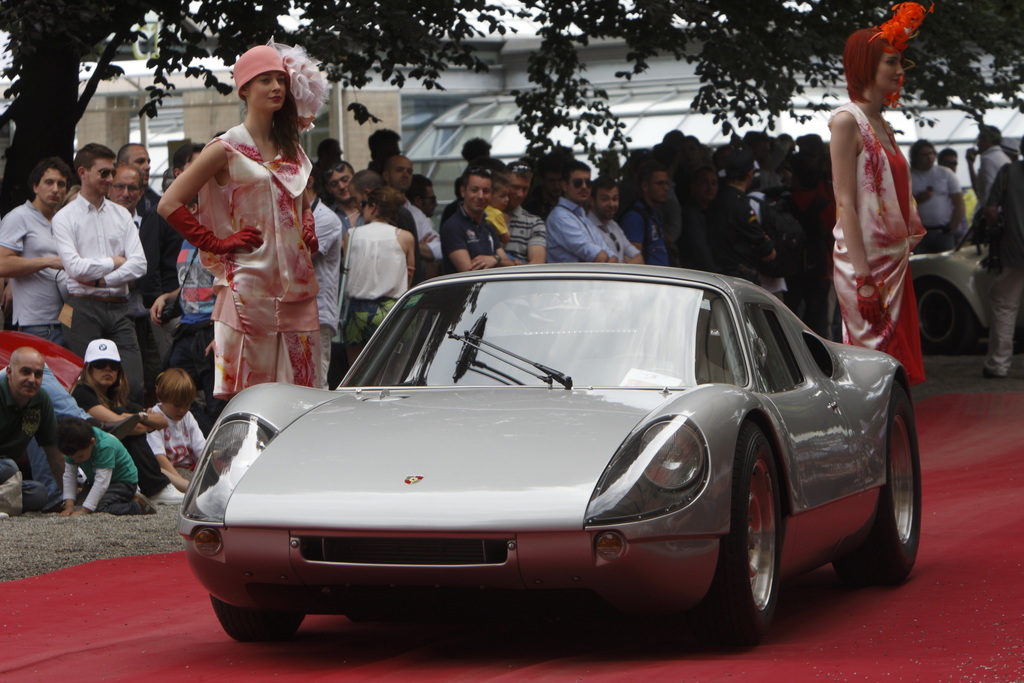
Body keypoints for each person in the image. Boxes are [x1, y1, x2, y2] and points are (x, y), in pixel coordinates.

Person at [157, 43, 328, 398]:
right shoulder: (225, 148)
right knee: (253, 395)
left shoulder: (291, 147)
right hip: (248, 288)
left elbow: (301, 201)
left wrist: (307, 225)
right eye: (264, 80)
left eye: (280, 79)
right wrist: (217, 244)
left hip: (297, 287)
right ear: (244, 89)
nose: (276, 87)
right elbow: (169, 203)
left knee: (304, 391)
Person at [829, 3, 931, 386]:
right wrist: (864, 278)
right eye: (892, 61)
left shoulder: (882, 124)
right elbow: (845, 204)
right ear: (866, 64)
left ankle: (889, 443)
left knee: (895, 370)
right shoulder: (845, 121)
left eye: (900, 62)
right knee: (874, 371)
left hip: (894, 259)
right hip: (866, 264)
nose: (900, 71)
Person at [52, 143, 148, 402]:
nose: (110, 179)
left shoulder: (121, 215)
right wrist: (115, 261)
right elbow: (74, 268)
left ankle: (128, 436)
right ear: (82, 172)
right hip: (81, 307)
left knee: (134, 385)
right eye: (104, 173)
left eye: (111, 172)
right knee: (88, 387)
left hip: (119, 307)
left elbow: (140, 264)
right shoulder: (64, 218)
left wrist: (102, 278)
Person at [71, 338, 184, 503]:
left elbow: (162, 421)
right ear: (89, 368)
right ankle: (157, 489)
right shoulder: (82, 392)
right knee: (126, 424)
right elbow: (119, 425)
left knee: (126, 417)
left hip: (106, 458)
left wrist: (139, 417)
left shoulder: (116, 398)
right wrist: (142, 421)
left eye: (113, 365)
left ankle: (177, 488)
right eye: (100, 364)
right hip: (85, 461)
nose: (108, 369)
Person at [0, 157, 72, 345]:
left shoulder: (62, 220)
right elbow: (2, 264)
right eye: (49, 182)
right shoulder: (18, 217)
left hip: (67, 321)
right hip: (36, 324)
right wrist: (47, 262)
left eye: (61, 184)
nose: (55, 189)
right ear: (35, 187)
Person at [342, 186, 415, 363]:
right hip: (393, 311)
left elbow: (346, 269)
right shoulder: (404, 237)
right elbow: (410, 276)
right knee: (395, 371)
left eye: (364, 204)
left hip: (357, 312)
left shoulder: (350, 235)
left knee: (357, 374)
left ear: (373, 207)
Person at [0, 347, 63, 513]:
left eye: (38, 374)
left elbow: (54, 452)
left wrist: (68, 497)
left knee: (39, 494)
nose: (32, 379)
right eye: (25, 372)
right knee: (9, 467)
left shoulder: (41, 400)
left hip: (6, 478)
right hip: (6, 469)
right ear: (9, 372)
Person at [982, 138, 1024, 379]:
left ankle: (998, 364)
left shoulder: (1008, 172)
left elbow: (990, 211)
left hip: (1015, 250)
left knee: (1005, 307)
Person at [57, 415, 155, 516]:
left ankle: (138, 506)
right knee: (80, 504)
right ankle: (121, 500)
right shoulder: (72, 447)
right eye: (73, 458)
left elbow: (101, 481)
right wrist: (69, 506)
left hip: (123, 482)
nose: (76, 460)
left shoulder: (105, 446)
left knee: (99, 508)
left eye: (80, 457)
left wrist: (84, 511)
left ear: (92, 442)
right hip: (94, 480)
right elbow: (69, 476)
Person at [707, 149, 775, 283]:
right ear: (750, 174)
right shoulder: (740, 205)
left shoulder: (715, 200)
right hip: (739, 279)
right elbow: (768, 251)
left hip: (717, 275)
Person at [303, 172, 344, 386]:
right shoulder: (294, 214)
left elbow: (300, 258)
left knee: (316, 383)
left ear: (309, 181)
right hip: (296, 312)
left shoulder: (325, 218)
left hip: (318, 313)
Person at [440, 167, 511, 272]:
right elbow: (469, 272)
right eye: (474, 190)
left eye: (485, 191)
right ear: (463, 191)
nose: (480, 196)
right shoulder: (453, 226)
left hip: (492, 287)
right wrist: (497, 261)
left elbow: (510, 266)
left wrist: (495, 259)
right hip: (465, 288)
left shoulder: (488, 226)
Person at [546, 160, 617, 264]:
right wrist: (606, 258)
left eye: (588, 183)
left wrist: (607, 258)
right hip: (568, 280)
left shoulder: (582, 216)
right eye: (578, 183)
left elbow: (612, 256)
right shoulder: (560, 217)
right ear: (564, 186)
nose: (584, 187)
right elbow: (598, 257)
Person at [145, 368, 206, 476]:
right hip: (171, 472)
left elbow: (201, 448)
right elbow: (159, 458)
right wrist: (180, 482)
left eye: (187, 404)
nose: (182, 410)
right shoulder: (154, 418)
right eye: (177, 405)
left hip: (192, 469)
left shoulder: (188, 417)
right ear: (161, 398)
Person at [909, 140, 964, 254]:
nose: (929, 157)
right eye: (924, 155)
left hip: (944, 231)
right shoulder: (908, 175)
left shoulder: (946, 173)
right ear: (915, 157)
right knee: (923, 268)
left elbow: (959, 202)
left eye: (931, 153)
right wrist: (917, 199)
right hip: (919, 235)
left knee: (946, 267)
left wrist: (953, 228)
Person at [620, 161, 672, 266]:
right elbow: (633, 260)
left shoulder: (653, 213)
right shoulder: (634, 217)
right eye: (660, 183)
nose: (666, 188)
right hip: (649, 279)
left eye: (667, 183)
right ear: (645, 186)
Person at [588, 177, 642, 264]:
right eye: (605, 199)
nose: (611, 204)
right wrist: (627, 263)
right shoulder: (586, 228)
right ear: (592, 201)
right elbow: (604, 267)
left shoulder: (614, 226)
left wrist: (622, 264)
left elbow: (639, 258)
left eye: (615, 199)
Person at [504, 162, 547, 265]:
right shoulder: (483, 216)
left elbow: (537, 263)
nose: (520, 194)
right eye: (515, 187)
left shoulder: (534, 223)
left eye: (525, 189)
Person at [117, 143, 159, 220]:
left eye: (148, 162)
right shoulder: (101, 203)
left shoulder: (157, 204)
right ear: (122, 165)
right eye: (140, 161)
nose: (147, 167)